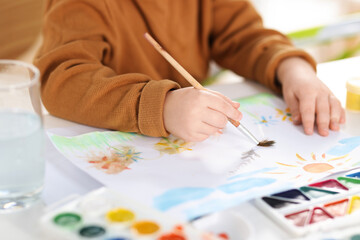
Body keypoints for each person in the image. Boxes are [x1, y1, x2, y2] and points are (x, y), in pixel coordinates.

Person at [35, 0, 345, 142]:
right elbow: (62, 78)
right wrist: (161, 105)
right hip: (114, 150)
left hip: (197, 152)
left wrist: (291, 69)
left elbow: (244, 35)